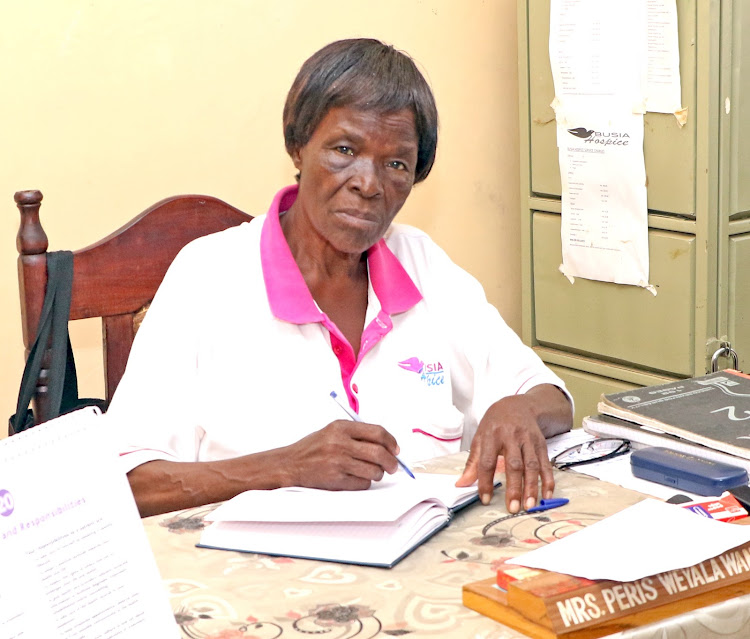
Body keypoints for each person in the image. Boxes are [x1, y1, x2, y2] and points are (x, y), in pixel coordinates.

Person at [107, 38, 573, 518]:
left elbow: (550, 396)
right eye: (344, 149)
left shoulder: (422, 264)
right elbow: (128, 484)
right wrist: (285, 467)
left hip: (415, 565)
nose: (368, 184)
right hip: (253, 577)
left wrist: (520, 411)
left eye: (396, 164)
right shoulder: (208, 276)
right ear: (298, 145)